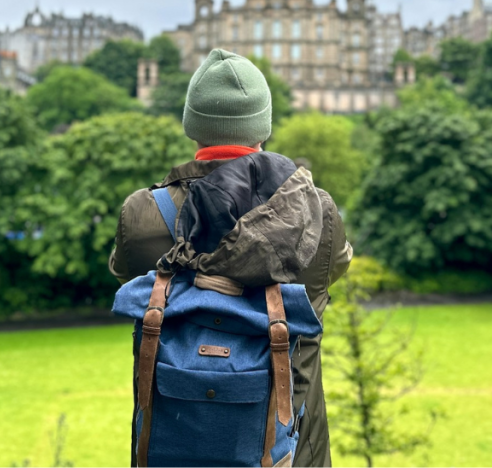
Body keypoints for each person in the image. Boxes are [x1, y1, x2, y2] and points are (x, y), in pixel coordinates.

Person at [109, 48, 352, 467]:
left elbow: (126, 273)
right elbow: (337, 266)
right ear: (263, 125)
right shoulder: (316, 212)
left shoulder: (142, 213)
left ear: (193, 125)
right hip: (292, 455)